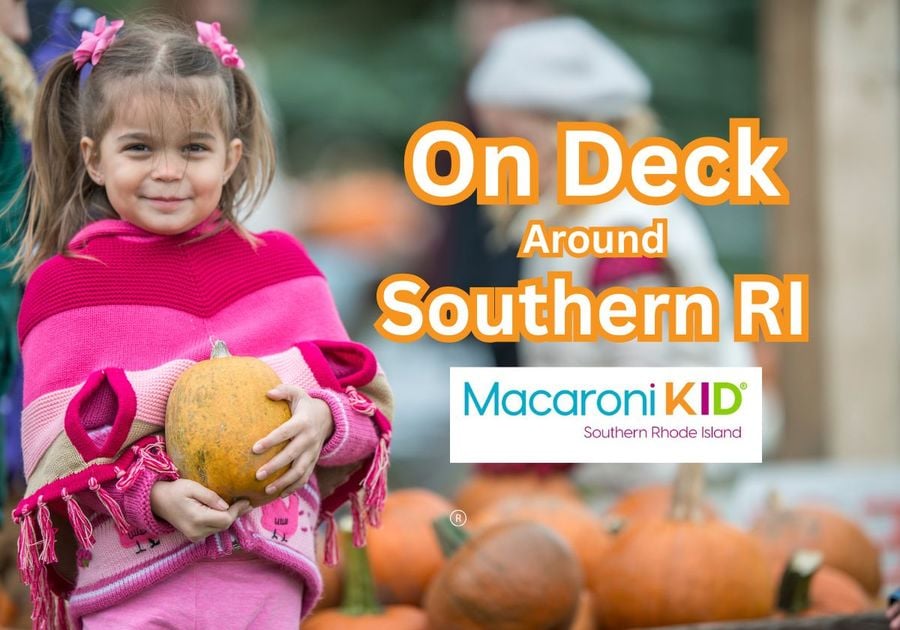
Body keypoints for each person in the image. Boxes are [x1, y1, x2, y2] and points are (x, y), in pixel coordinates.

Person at [11, 16, 392, 629]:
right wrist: (153, 497)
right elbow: (56, 457)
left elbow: (363, 407)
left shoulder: (282, 269)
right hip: (133, 594)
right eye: (139, 147)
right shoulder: (68, 286)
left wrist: (321, 421)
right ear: (95, 159)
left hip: (265, 584)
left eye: (194, 148)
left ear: (231, 156)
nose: (169, 170)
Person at [466, 16, 779, 492]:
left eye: (513, 143)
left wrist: (536, 442)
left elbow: (654, 404)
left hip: (669, 498)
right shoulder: (568, 219)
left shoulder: (622, 236)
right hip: (614, 487)